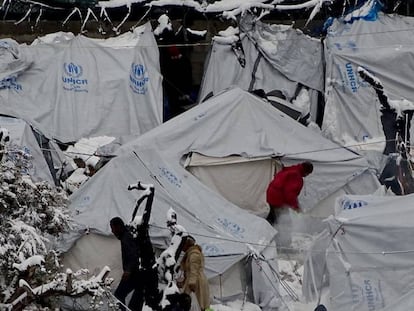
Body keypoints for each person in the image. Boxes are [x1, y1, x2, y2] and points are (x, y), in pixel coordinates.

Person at [110, 216, 143, 311]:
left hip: (133, 273)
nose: (112, 231)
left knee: (118, 295)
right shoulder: (127, 235)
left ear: (119, 227)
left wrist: (128, 270)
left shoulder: (126, 238)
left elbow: (133, 254)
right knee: (136, 299)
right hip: (137, 272)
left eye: (113, 228)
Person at [178, 236, 210, 311]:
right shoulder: (192, 253)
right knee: (195, 303)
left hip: (196, 281)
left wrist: (192, 283)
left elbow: (194, 270)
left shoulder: (194, 254)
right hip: (195, 279)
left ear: (187, 245)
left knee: (194, 302)